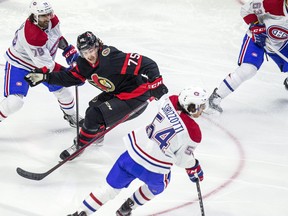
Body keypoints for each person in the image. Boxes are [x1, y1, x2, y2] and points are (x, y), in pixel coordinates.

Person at [24, 31, 168, 160]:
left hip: (135, 98)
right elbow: (70, 77)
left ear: (98, 46)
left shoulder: (110, 57)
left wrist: (156, 84)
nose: (89, 55)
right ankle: (95, 138)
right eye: (85, 52)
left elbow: (148, 64)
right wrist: (45, 77)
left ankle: (80, 146)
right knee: (92, 108)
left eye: (91, 50)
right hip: (118, 93)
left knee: (95, 115)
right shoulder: (84, 63)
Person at [65, 86, 207, 216]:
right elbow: (182, 160)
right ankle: (128, 206)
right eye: (200, 106)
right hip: (155, 168)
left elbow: (174, 101)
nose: (202, 110)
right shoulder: (194, 133)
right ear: (192, 107)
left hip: (133, 154)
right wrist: (194, 166)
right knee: (159, 185)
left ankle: (81, 213)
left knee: (109, 188)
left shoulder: (170, 101)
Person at [0, 0, 81, 127]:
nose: (48, 18)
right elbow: (48, 66)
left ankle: (71, 115)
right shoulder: (32, 35)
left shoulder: (51, 20)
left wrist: (68, 50)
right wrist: (71, 75)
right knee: (15, 102)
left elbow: (57, 37)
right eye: (43, 15)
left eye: (49, 13)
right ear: (34, 16)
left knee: (65, 93)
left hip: (42, 63)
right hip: (20, 64)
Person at [208, 0, 288, 113]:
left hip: (281, 44)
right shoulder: (272, 3)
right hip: (256, 40)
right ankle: (215, 98)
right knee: (248, 70)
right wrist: (256, 26)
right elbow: (246, 10)